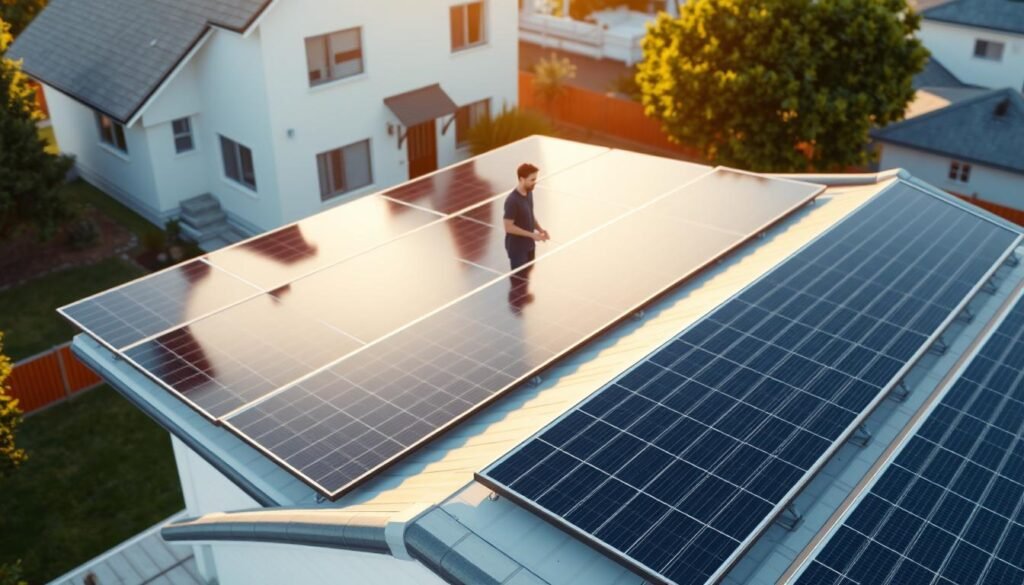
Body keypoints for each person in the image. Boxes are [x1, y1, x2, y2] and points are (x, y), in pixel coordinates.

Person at [504, 163, 549, 272]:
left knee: (528, 277)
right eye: (532, 180)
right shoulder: (512, 201)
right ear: (522, 179)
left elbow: (530, 215)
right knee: (520, 279)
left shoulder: (529, 193)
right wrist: (532, 235)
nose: (535, 182)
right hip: (518, 250)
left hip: (529, 246)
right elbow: (508, 227)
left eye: (535, 179)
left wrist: (540, 229)